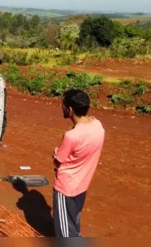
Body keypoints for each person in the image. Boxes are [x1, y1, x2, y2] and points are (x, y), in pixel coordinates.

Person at [52, 89, 105, 237]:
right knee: (73, 222)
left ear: (70, 109)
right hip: (82, 185)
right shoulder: (98, 126)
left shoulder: (71, 136)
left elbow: (57, 162)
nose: (61, 108)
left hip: (66, 188)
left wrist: (55, 154)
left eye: (62, 105)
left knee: (65, 233)